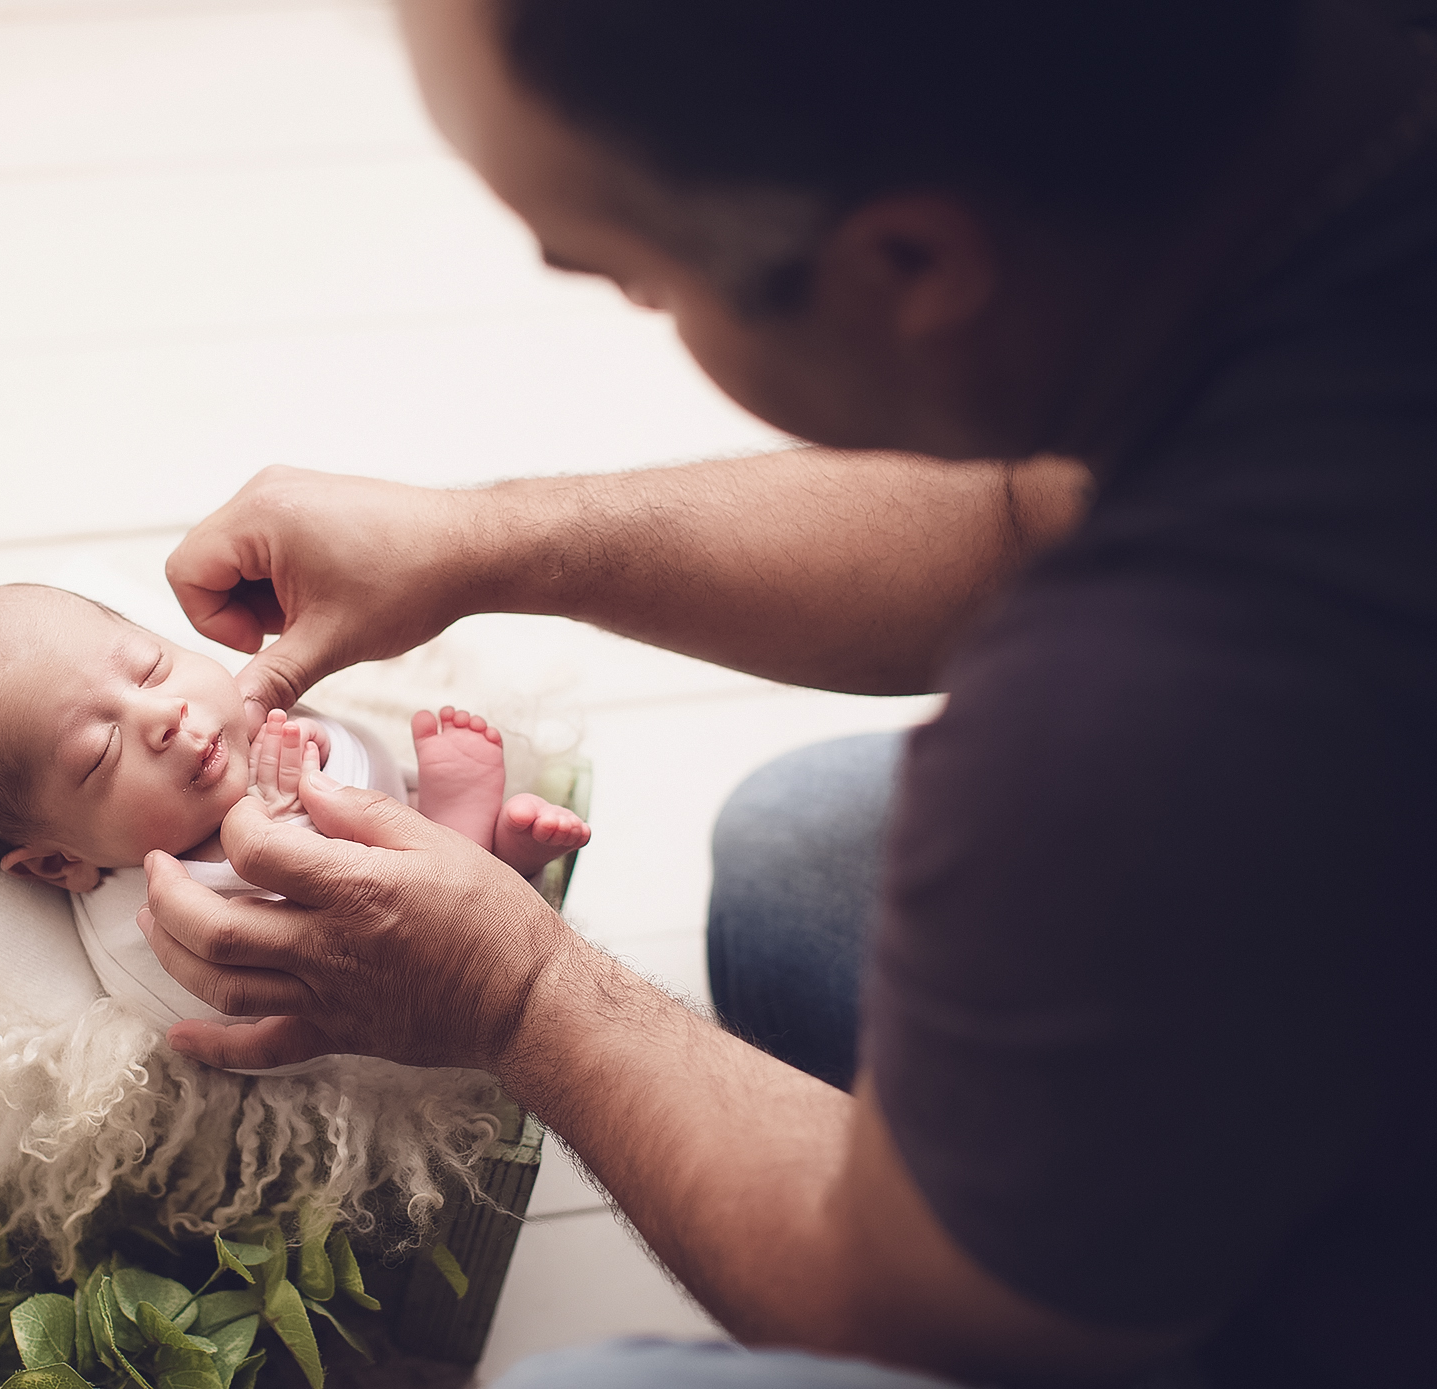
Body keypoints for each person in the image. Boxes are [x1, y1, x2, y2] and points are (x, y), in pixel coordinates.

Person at [134, 2, 1437, 1386]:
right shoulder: (1326, 143)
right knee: (798, 852)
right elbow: (1026, 508)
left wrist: (513, 994)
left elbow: (923, 1320)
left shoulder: (1145, 713)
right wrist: (492, 539)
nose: (644, 303)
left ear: (912, 261)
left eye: (637, 274)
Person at [0, 583, 589, 894]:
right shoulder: (163, 904)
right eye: (99, 752)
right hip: (415, 930)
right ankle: (474, 844)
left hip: (400, 808)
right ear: (61, 863)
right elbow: (254, 986)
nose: (162, 715)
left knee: (370, 765)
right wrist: (281, 837)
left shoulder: (240, 727)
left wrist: (323, 753)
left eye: (152, 666)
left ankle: (481, 847)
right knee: (418, 883)